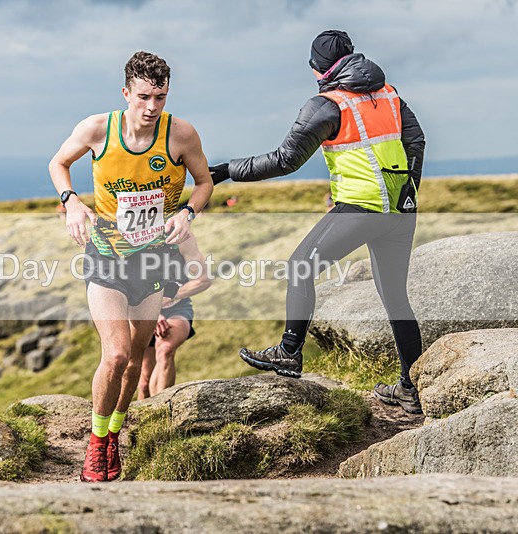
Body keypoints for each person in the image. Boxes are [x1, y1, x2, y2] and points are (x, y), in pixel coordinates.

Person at [210, 30, 425, 414]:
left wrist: (226, 170)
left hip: (361, 208)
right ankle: (411, 388)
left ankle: (290, 351)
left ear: (317, 69)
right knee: (395, 297)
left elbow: (284, 160)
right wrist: (408, 192)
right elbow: (417, 141)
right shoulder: (391, 94)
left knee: (299, 266)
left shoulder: (326, 105)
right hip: (400, 211)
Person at [49, 51, 213, 482]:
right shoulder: (97, 129)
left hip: (154, 260)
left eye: (160, 96)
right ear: (126, 93)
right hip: (106, 256)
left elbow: (205, 183)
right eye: (143, 96)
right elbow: (58, 163)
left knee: (137, 359)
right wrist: (72, 204)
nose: (152, 106)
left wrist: (187, 214)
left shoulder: (180, 134)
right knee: (117, 353)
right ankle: (95, 443)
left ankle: (115, 437)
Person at [137, 233, 211, 399]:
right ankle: (142, 422)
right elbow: (126, 287)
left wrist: (174, 294)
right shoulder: (133, 238)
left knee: (165, 349)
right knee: (143, 382)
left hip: (177, 308)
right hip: (141, 310)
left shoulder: (182, 237)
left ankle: (161, 412)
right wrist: (153, 312)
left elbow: (203, 280)